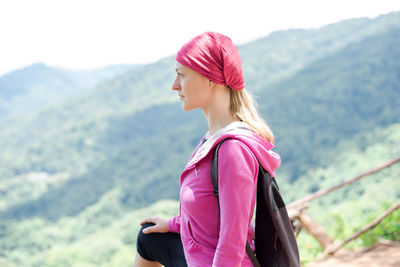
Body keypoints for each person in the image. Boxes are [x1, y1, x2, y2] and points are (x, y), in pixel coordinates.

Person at [133, 31, 281, 267]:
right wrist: (173, 224)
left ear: (210, 78)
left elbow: (232, 240)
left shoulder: (233, 149)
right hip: (199, 256)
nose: (174, 86)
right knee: (149, 236)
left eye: (181, 75)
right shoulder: (212, 139)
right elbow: (211, 217)